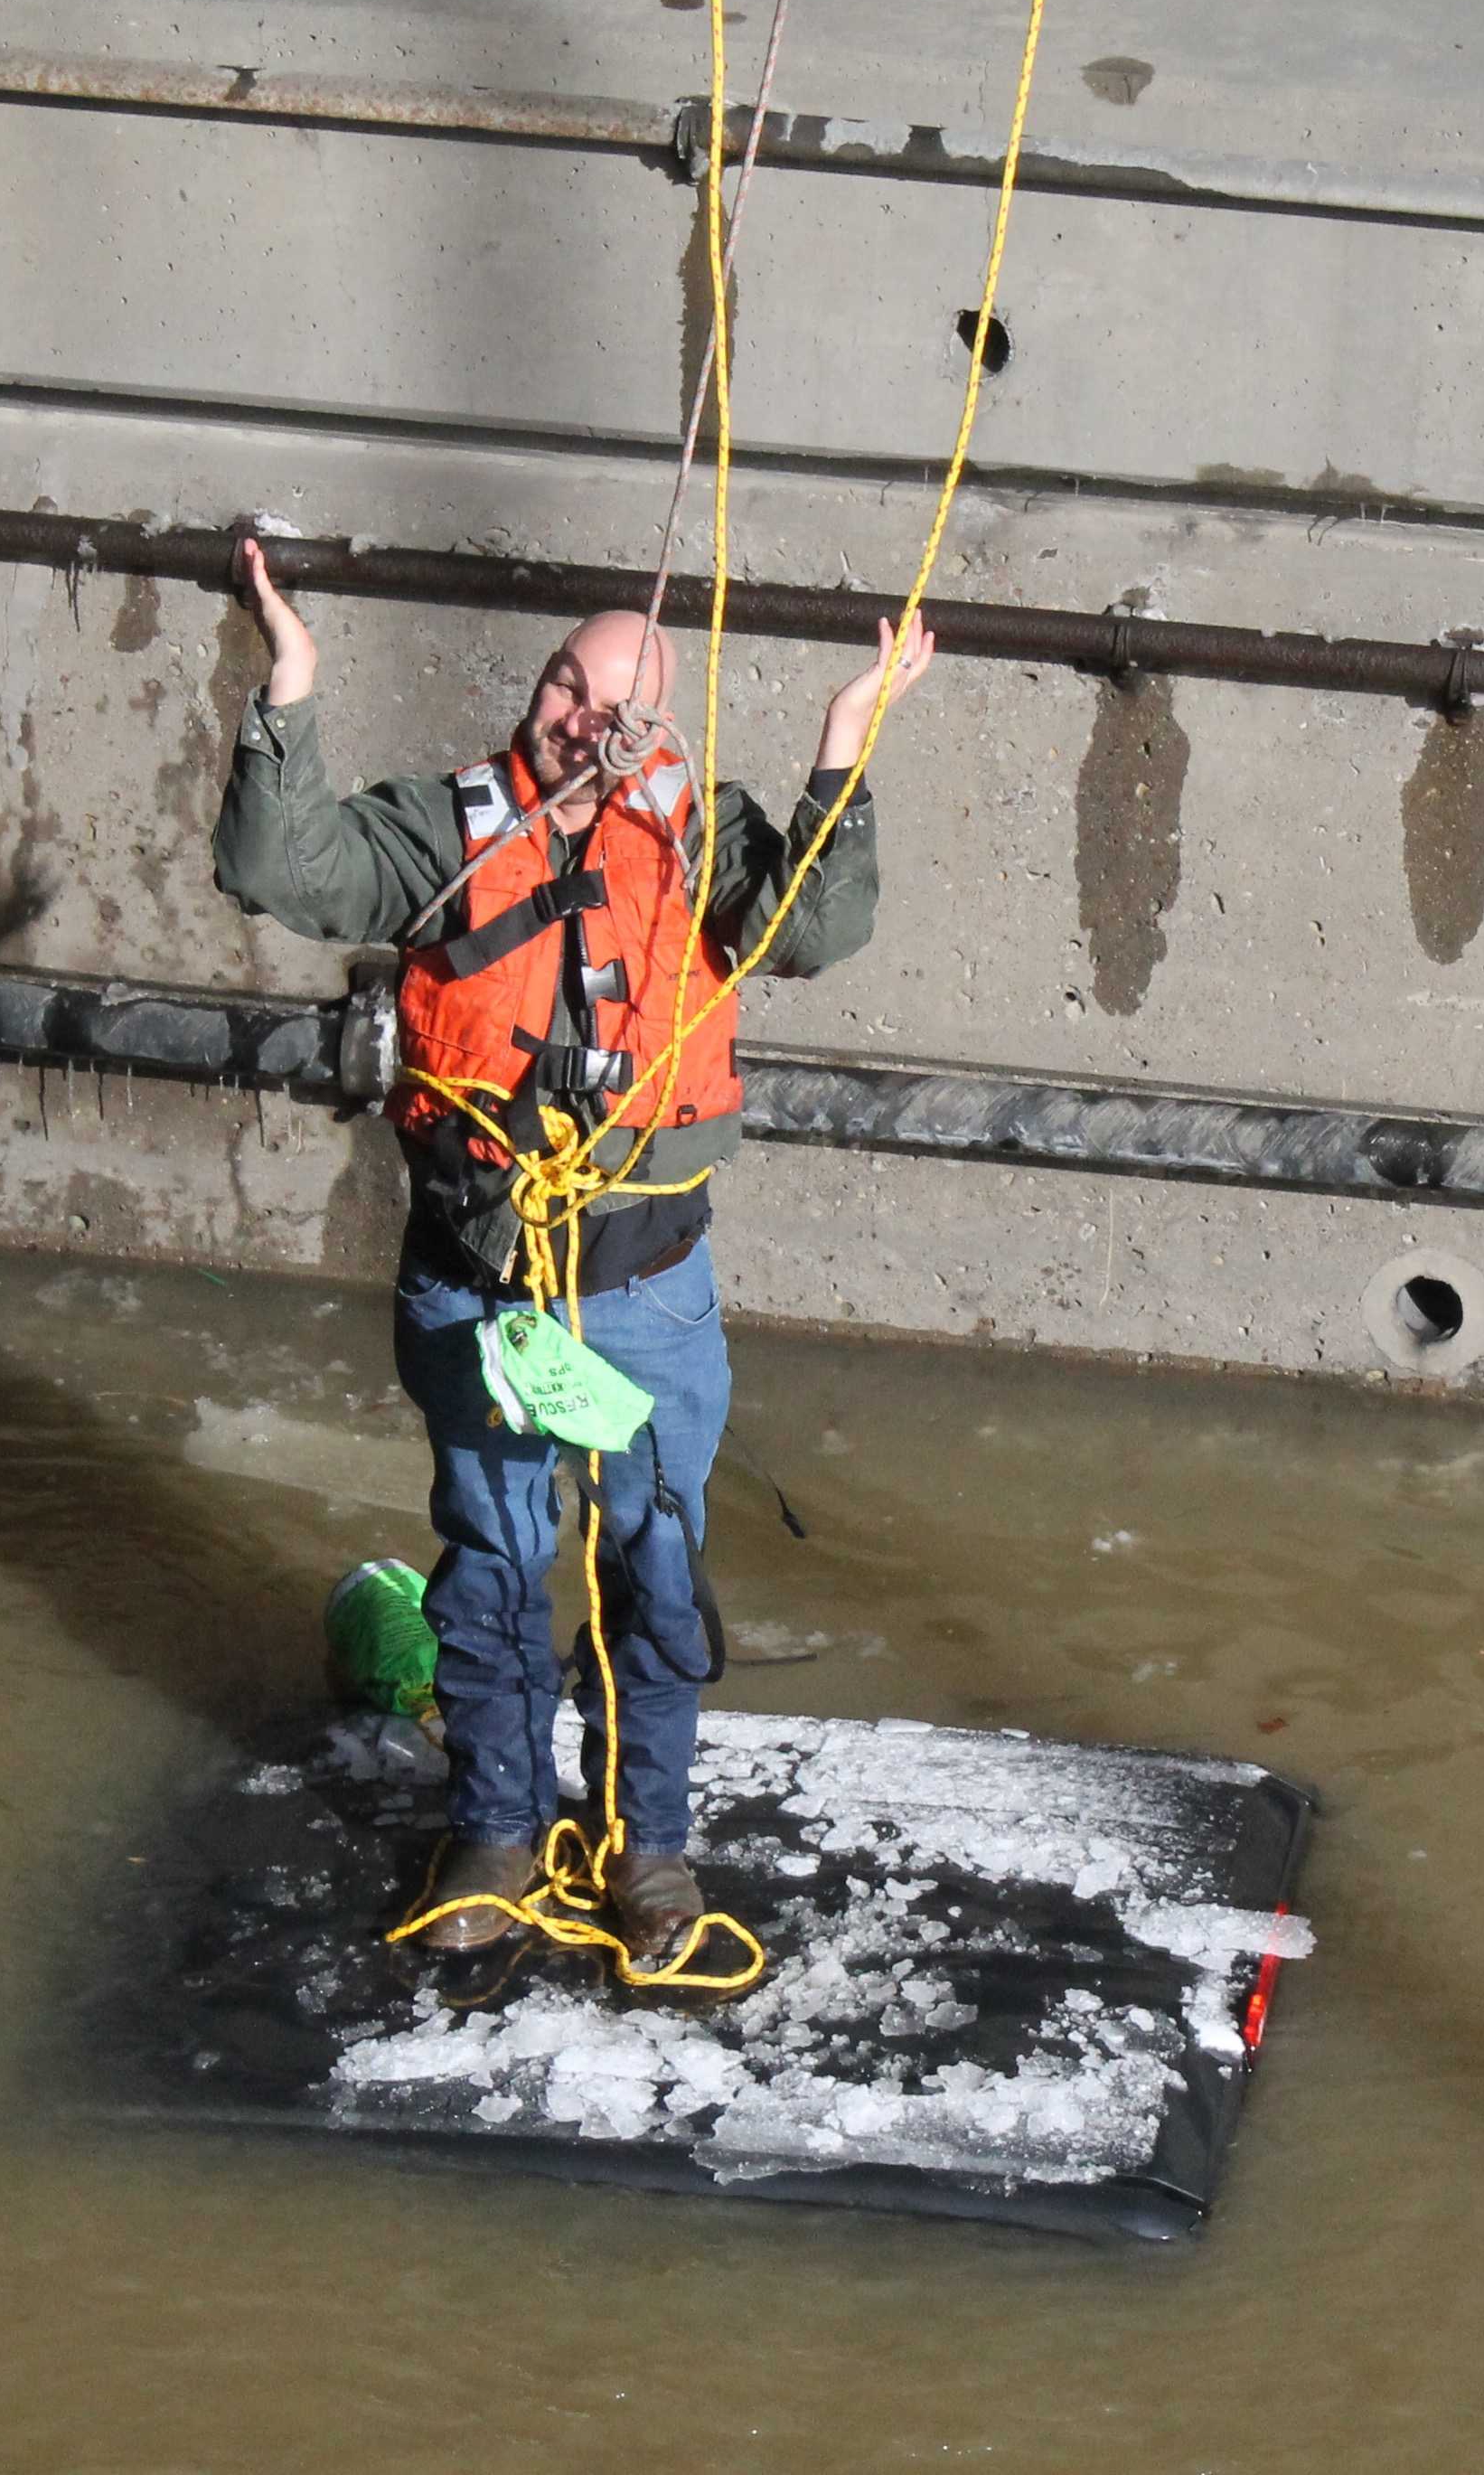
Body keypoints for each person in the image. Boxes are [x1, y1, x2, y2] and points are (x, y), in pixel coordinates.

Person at [211, 536, 934, 1965]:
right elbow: (275, 864)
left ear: (659, 723)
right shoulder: (448, 825)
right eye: (563, 685)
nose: (580, 719)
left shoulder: (705, 837)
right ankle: (491, 1824)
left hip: (649, 1297)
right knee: (488, 1563)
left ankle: (644, 1847)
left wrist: (844, 745)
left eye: (615, 703)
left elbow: (822, 928)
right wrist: (290, 685)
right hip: (481, 1286)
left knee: (654, 1568)